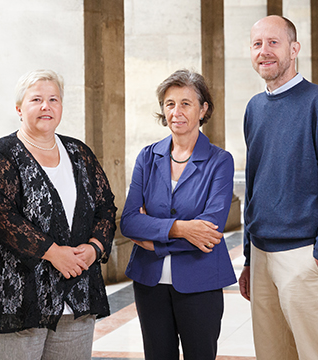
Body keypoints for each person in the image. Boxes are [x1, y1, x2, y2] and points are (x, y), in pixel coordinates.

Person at [0, 69, 117, 360]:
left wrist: (94, 248)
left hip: (75, 296)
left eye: (53, 99)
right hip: (17, 299)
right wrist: (52, 253)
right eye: (37, 99)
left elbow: (105, 207)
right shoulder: (1, 153)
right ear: (20, 108)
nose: (46, 106)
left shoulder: (79, 152)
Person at [239, 15, 318, 360]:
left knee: (316, 354)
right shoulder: (254, 108)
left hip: (304, 256)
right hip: (261, 257)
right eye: (257, 44)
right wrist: (249, 256)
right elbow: (254, 186)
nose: (264, 51)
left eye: (273, 43)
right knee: (272, 354)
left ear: (295, 49)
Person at [120, 69, 237, 360]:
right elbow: (129, 220)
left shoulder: (219, 161)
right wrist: (183, 229)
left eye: (186, 103)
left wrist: (154, 237)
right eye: (170, 103)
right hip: (150, 284)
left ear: (203, 109)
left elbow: (210, 230)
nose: (176, 111)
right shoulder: (147, 157)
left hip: (201, 281)